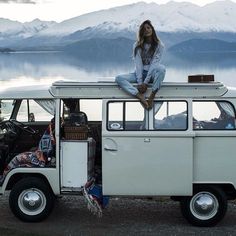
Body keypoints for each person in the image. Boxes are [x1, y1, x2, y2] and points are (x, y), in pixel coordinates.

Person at [115, 20, 166, 109]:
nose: (146, 30)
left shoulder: (159, 45)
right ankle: (138, 95)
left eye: (148, 28)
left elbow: (154, 64)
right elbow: (138, 64)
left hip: (152, 74)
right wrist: (140, 82)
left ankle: (152, 96)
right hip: (140, 74)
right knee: (119, 78)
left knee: (161, 69)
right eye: (143, 29)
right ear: (141, 32)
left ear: (152, 29)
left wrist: (145, 83)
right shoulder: (137, 45)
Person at [0, 118, 56, 185]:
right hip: (43, 154)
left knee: (17, 158)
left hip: (42, 157)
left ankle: (3, 178)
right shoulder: (52, 129)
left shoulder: (52, 129)